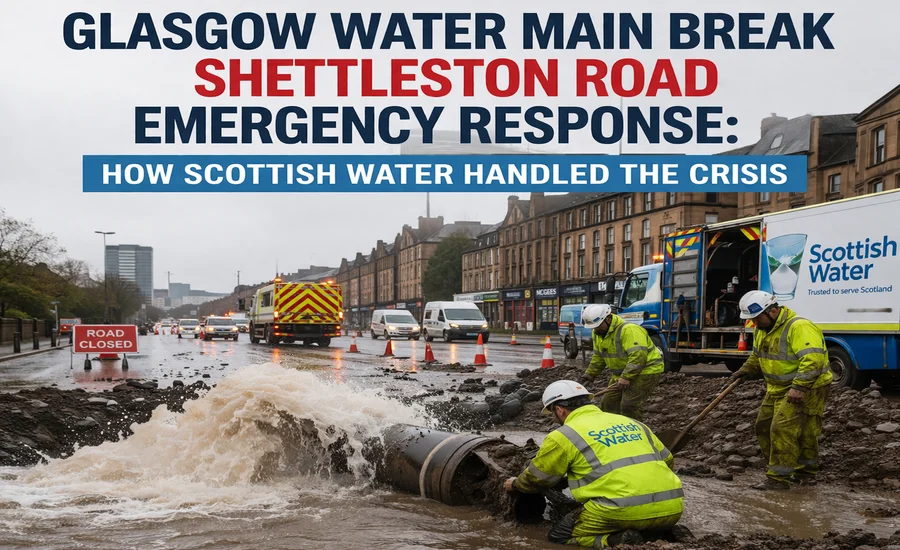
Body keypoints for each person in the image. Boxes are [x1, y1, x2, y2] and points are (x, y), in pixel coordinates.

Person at [504, 380, 684, 547]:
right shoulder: (634, 423)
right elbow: (667, 460)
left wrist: (515, 484)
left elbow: (538, 479)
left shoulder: (564, 435)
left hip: (618, 511)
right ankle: (657, 534)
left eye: (552, 412)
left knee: (559, 536)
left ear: (559, 409)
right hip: (673, 508)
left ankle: (615, 540)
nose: (554, 417)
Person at [731, 290, 832, 490]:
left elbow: (813, 360)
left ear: (774, 311)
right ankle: (787, 467)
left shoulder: (799, 327)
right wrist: (745, 371)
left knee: (786, 428)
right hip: (777, 388)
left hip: (807, 387)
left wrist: (799, 387)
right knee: (763, 425)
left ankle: (782, 478)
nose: (754, 322)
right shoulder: (762, 329)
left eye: (756, 317)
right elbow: (758, 356)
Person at [580, 304, 665, 420]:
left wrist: (626, 377)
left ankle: (637, 432)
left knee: (629, 405)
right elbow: (599, 357)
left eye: (598, 326)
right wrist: (589, 375)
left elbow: (638, 356)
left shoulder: (629, 330)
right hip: (622, 372)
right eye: (593, 327)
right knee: (608, 403)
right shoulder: (598, 334)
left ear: (608, 319)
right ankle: (616, 431)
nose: (595, 330)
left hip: (647, 370)